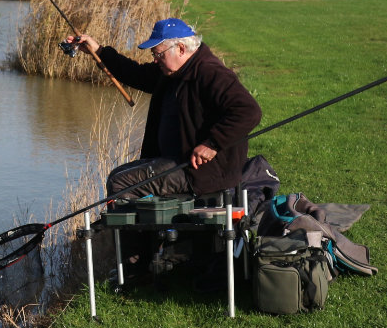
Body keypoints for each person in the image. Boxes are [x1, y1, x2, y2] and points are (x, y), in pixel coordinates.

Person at [67, 17, 262, 200]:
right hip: (176, 161)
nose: (155, 60)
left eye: (158, 54)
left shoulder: (210, 73)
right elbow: (135, 74)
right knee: (117, 175)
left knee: (122, 183)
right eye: (154, 54)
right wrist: (98, 51)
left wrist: (213, 144)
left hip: (203, 172)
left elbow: (248, 111)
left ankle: (136, 235)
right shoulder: (172, 71)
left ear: (181, 49)